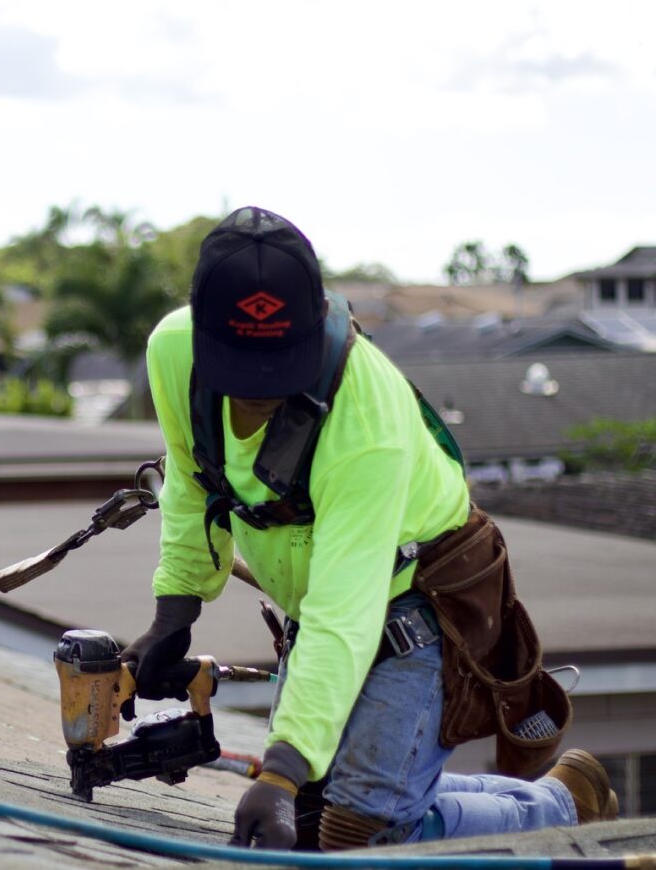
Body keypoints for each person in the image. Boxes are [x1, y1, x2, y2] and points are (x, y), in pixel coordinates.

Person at [122, 206, 617, 850]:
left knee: (358, 833)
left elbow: (343, 610)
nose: (258, 394)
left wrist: (281, 770)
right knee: (303, 818)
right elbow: (193, 479)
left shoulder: (364, 416)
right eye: (241, 371)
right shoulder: (172, 353)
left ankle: (560, 805)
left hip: (419, 600)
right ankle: (486, 791)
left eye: (277, 370)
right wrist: (175, 612)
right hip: (328, 606)